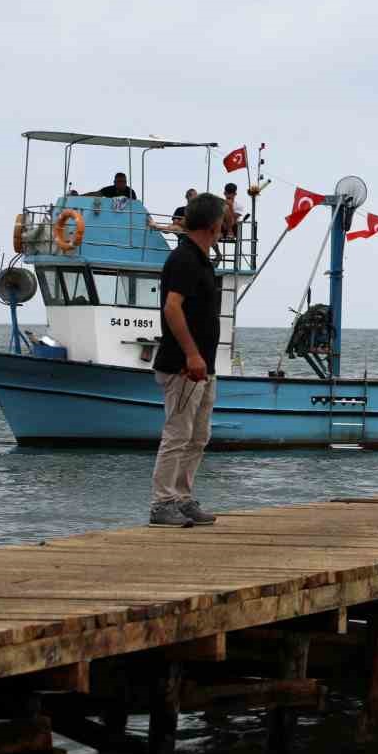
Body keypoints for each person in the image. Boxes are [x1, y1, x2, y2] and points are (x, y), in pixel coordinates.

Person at [149, 193, 226, 528]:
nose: (226, 226)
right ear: (213, 224)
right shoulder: (184, 258)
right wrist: (192, 354)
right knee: (178, 434)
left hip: (204, 367)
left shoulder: (201, 258)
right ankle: (161, 503)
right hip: (184, 365)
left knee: (198, 436)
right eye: (223, 220)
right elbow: (172, 307)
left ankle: (182, 498)